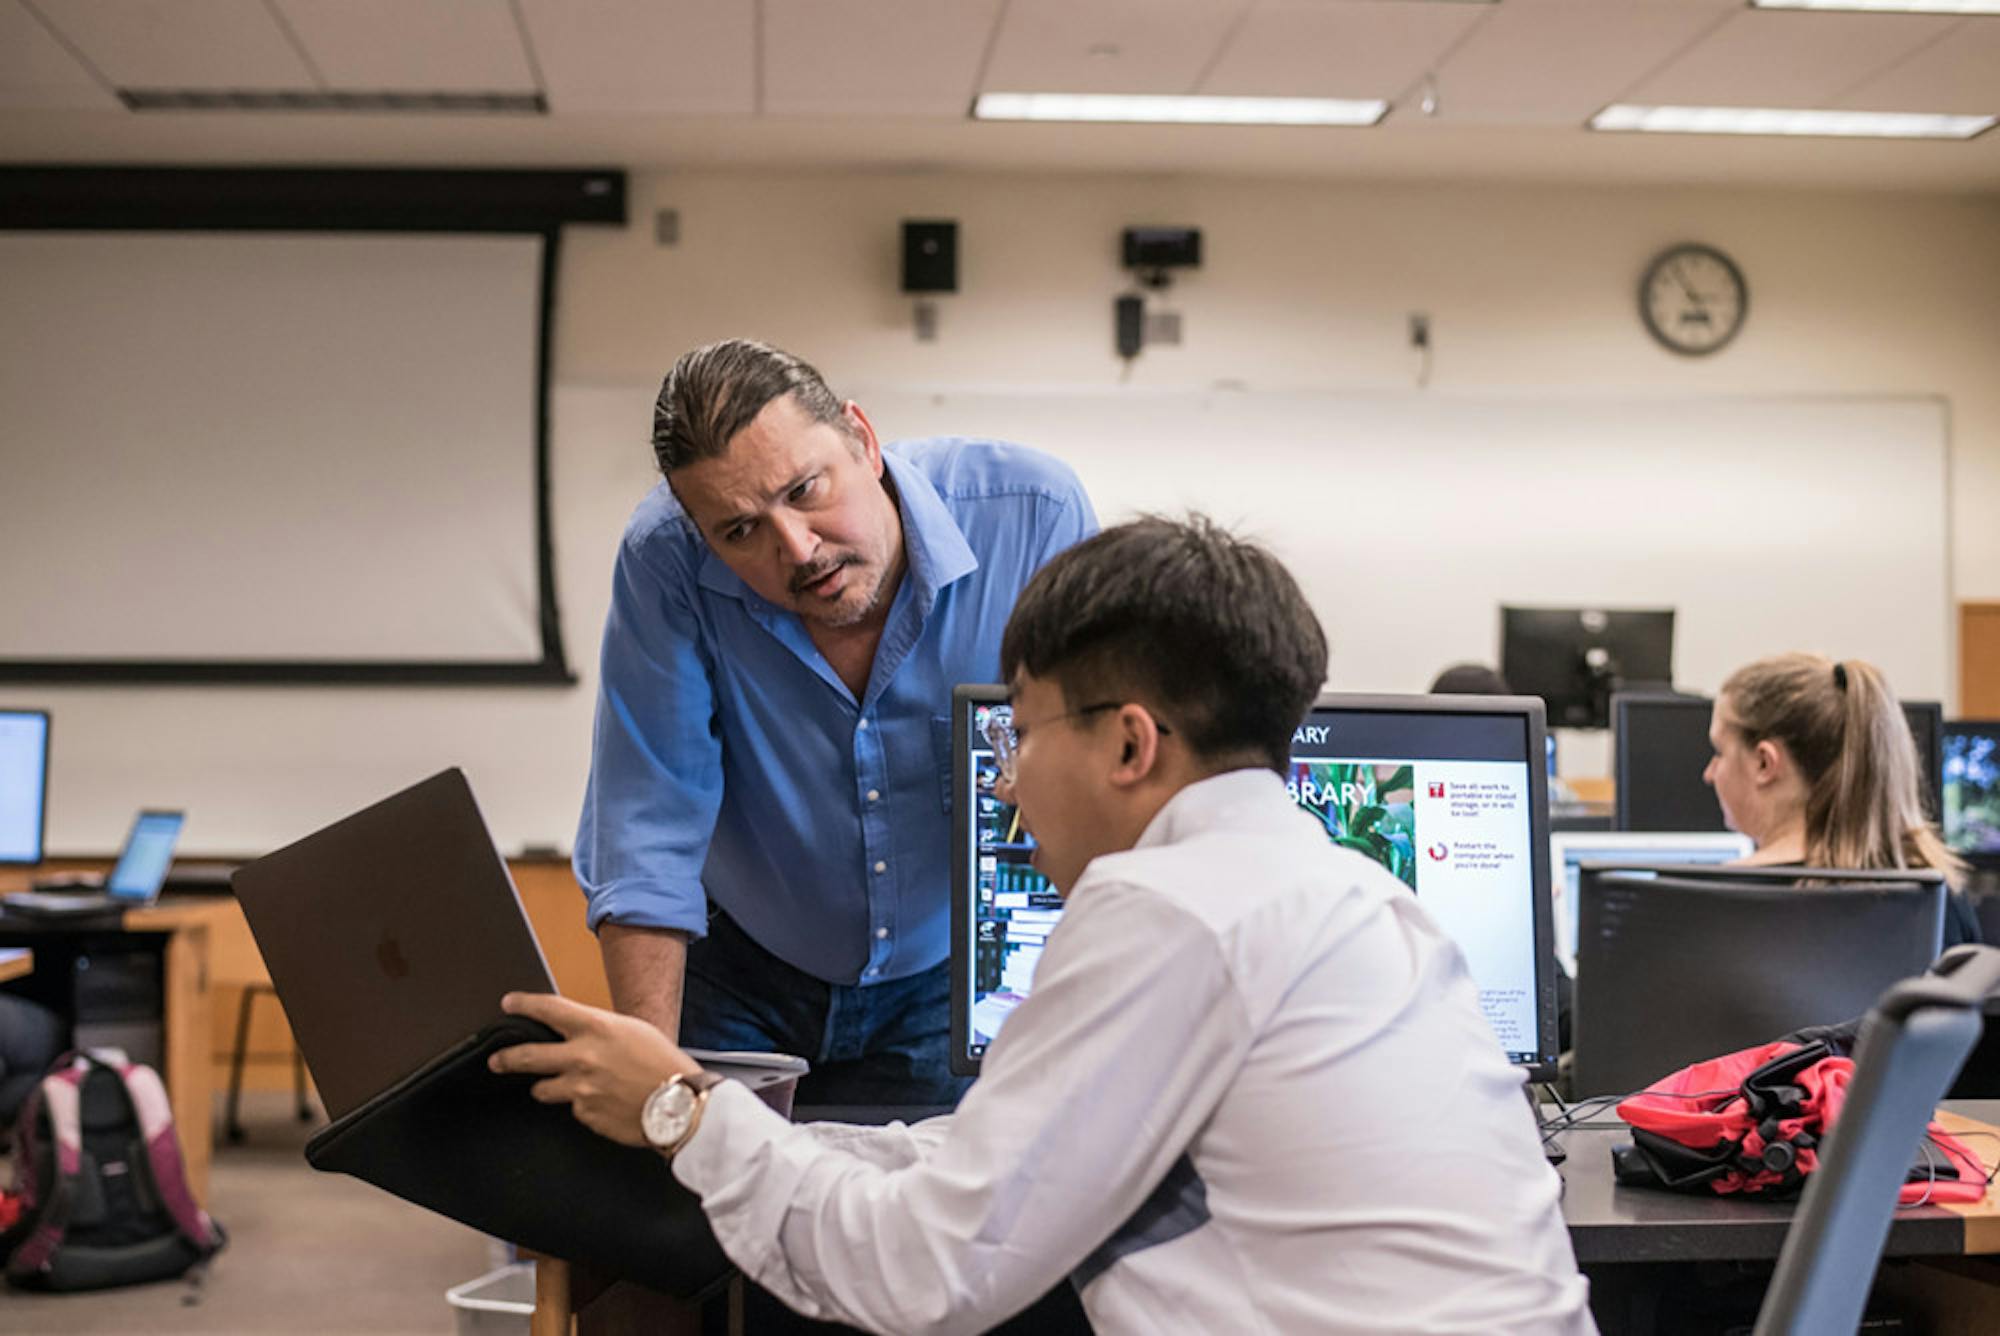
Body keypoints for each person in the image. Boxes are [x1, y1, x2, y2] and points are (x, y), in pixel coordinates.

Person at [500, 516, 1596, 1335]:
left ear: (1129, 744)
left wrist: (682, 1112)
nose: (1007, 783)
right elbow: (1001, 1152)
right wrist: (752, 1125)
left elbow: (924, 1271)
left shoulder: (1169, 909)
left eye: (1018, 734)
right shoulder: (1358, 901)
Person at [574, 339, 1095, 1106]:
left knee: (945, 1183)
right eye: (740, 532)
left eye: (804, 490)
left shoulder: (1031, 517)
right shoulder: (666, 560)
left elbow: (1095, 779)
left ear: (863, 438)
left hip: (949, 971)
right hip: (740, 968)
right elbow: (647, 822)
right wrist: (656, 1092)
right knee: (701, 1184)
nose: (797, 549)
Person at [1706, 651, 1978, 946]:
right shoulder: (1941, 898)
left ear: (1764, 763)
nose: (1710, 773)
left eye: (1719, 752)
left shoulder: (1710, 905)